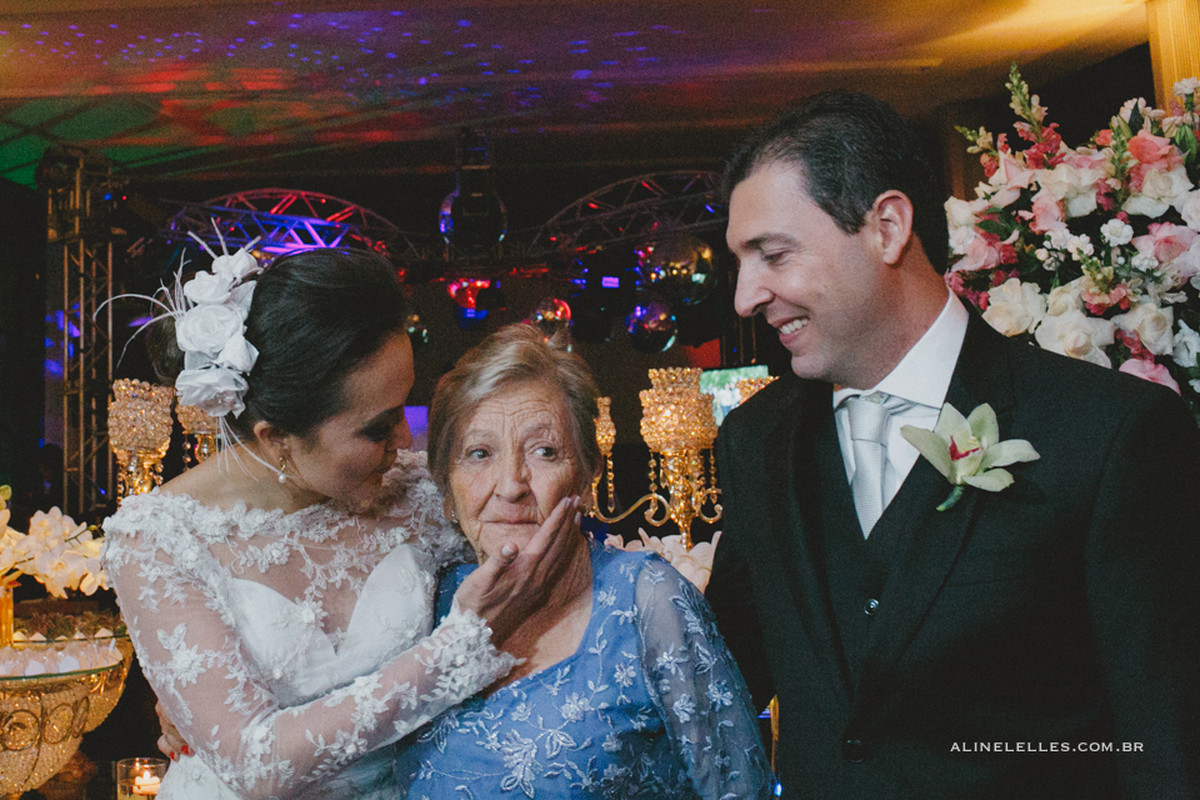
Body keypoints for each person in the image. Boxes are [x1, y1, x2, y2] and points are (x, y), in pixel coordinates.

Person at [705, 91, 1200, 799]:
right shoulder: (755, 442)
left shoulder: (1110, 435)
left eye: (773, 255)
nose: (746, 297)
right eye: (741, 263)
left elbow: (1164, 742)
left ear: (887, 228)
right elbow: (717, 685)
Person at [102, 248, 579, 799]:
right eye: (377, 428)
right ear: (277, 438)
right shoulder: (157, 540)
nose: (406, 441)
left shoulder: (419, 494)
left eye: (405, 407)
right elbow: (254, 765)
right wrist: (457, 649)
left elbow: (560, 561)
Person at [392, 323, 772, 799]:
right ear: (447, 488)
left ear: (587, 475)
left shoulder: (647, 601)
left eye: (544, 452)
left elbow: (738, 788)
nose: (510, 486)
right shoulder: (427, 598)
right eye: (479, 454)